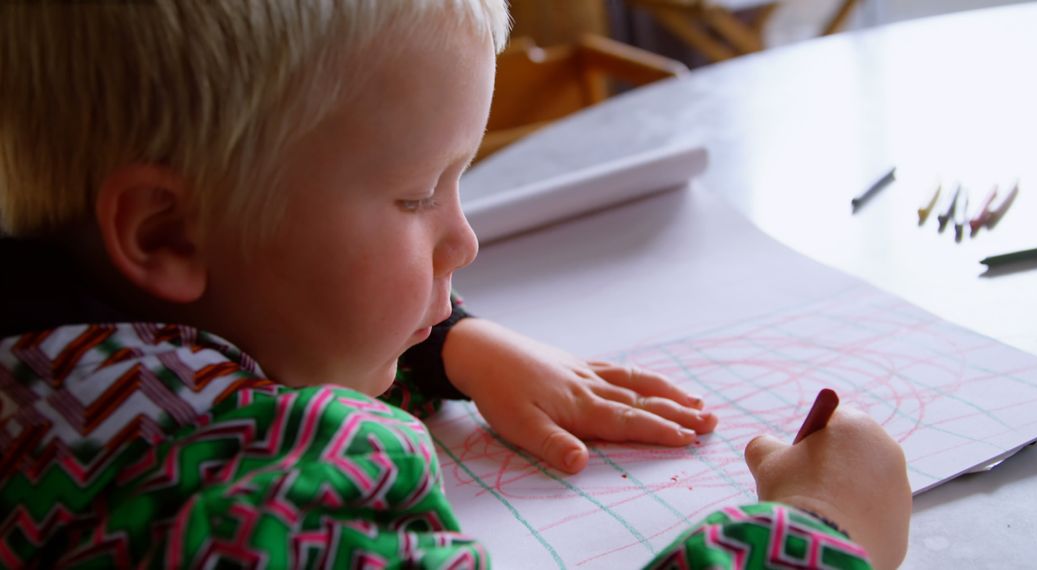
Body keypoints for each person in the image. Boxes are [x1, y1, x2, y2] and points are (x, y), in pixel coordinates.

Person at [0, 1, 910, 568]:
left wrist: (444, 343)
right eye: (415, 195)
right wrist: (819, 531)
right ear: (163, 232)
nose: (465, 239)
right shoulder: (265, 504)